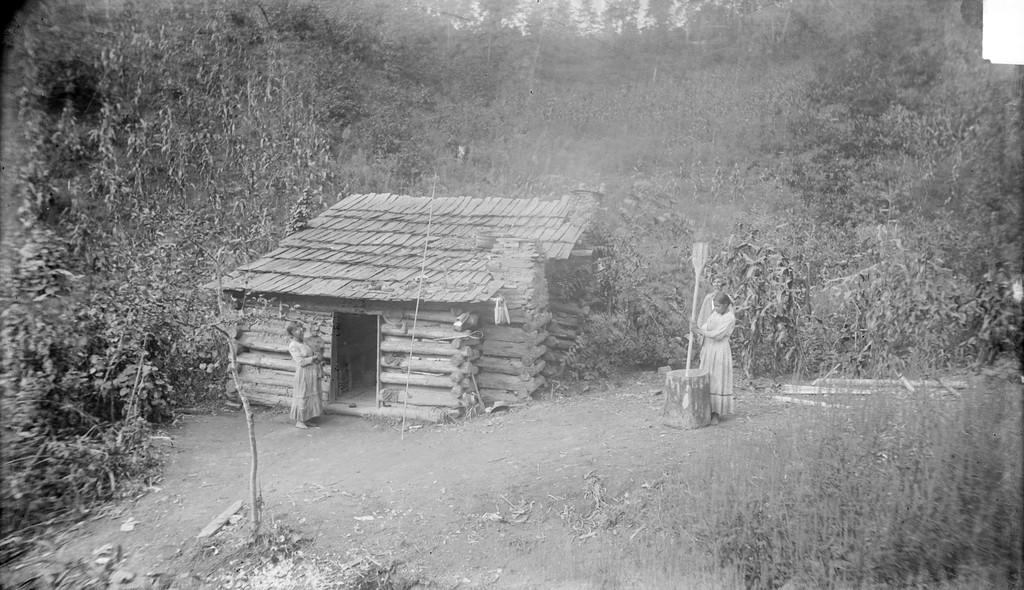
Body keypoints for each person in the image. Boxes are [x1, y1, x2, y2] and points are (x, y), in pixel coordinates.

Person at [692, 292, 735, 425]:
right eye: (715, 306)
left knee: (717, 379)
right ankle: (706, 410)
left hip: (720, 350)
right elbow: (707, 327)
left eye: (718, 306)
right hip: (709, 349)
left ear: (726, 305)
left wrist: (700, 331)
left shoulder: (729, 318)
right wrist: (696, 328)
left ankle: (716, 413)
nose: (716, 309)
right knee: (707, 377)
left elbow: (718, 334)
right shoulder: (715, 314)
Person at [286, 322, 322, 429]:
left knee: (310, 394)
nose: (301, 331)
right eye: (297, 329)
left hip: (311, 372)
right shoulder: (293, 345)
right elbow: (300, 361)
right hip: (303, 374)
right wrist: (313, 359)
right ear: (292, 332)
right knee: (303, 395)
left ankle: (307, 419)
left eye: (301, 328)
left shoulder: (304, 343)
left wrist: (316, 357)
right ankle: (300, 421)